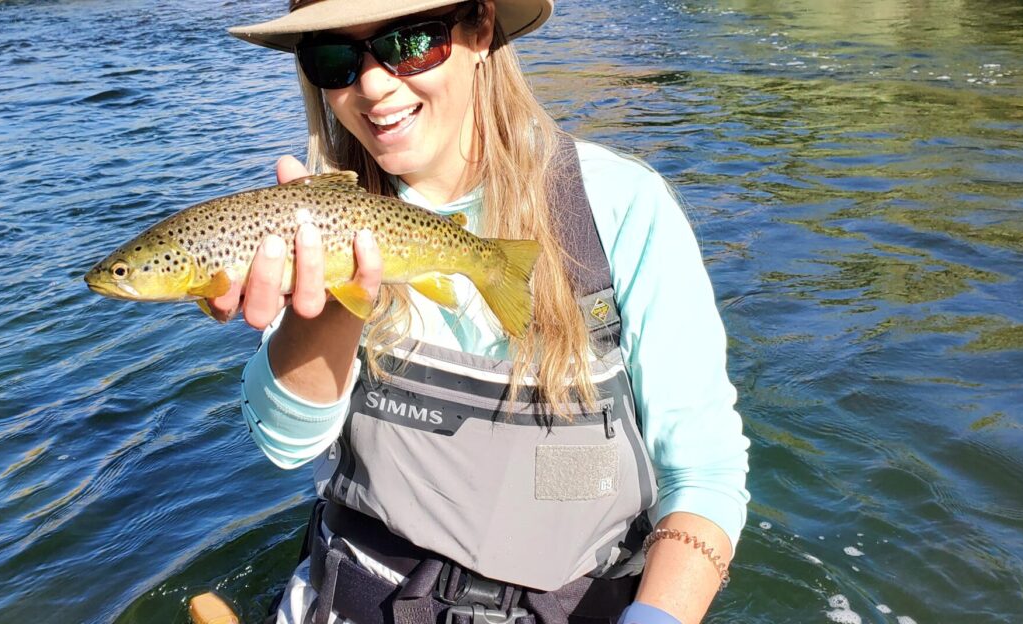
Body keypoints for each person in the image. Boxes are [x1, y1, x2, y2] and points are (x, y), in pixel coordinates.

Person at [211, 0, 750, 622]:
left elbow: (703, 473)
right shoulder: (308, 221)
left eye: (410, 42)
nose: (374, 83)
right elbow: (286, 443)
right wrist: (331, 298)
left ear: (481, 28)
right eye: (334, 56)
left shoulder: (623, 208)